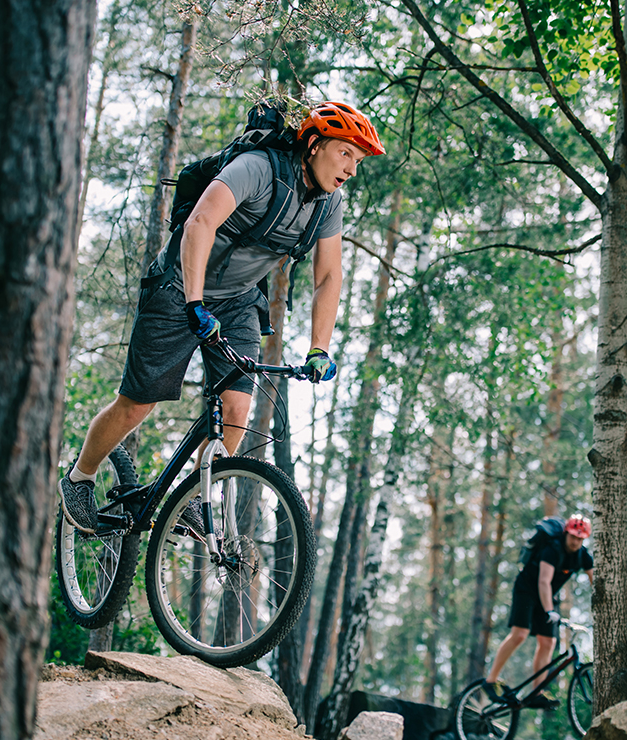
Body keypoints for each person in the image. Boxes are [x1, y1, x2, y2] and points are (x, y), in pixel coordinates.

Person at [60, 101, 385, 534]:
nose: (351, 169)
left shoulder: (328, 205)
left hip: (237, 301)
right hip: (179, 287)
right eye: (345, 153)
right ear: (313, 144)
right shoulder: (256, 169)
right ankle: (79, 478)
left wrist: (319, 348)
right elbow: (200, 224)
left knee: (236, 407)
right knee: (137, 405)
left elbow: (328, 275)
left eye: (358, 161)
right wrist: (194, 303)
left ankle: (194, 499)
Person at [484, 514, 595, 709]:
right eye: (573, 537)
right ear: (566, 534)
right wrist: (549, 610)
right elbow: (543, 581)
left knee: (548, 642)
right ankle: (490, 681)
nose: (576, 541)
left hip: (547, 596)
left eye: (580, 538)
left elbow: (595, 580)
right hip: (527, 589)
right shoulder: (552, 549)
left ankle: (537, 692)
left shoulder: (583, 555)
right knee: (520, 634)